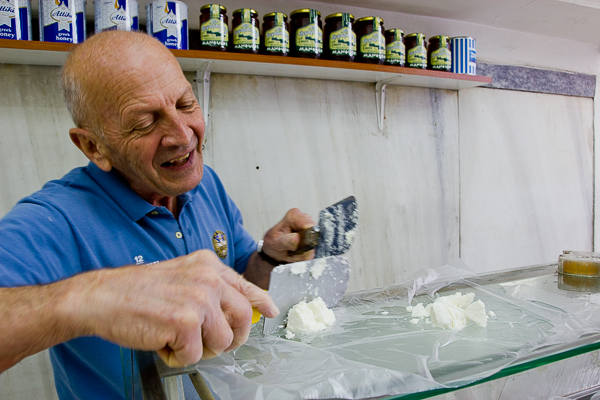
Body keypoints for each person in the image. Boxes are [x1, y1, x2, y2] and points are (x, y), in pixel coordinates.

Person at [0, 30, 314, 399]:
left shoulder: (203, 183)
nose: (183, 137)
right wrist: (95, 297)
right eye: (145, 123)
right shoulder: (56, 218)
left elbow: (239, 281)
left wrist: (267, 258)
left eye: (185, 105)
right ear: (92, 145)